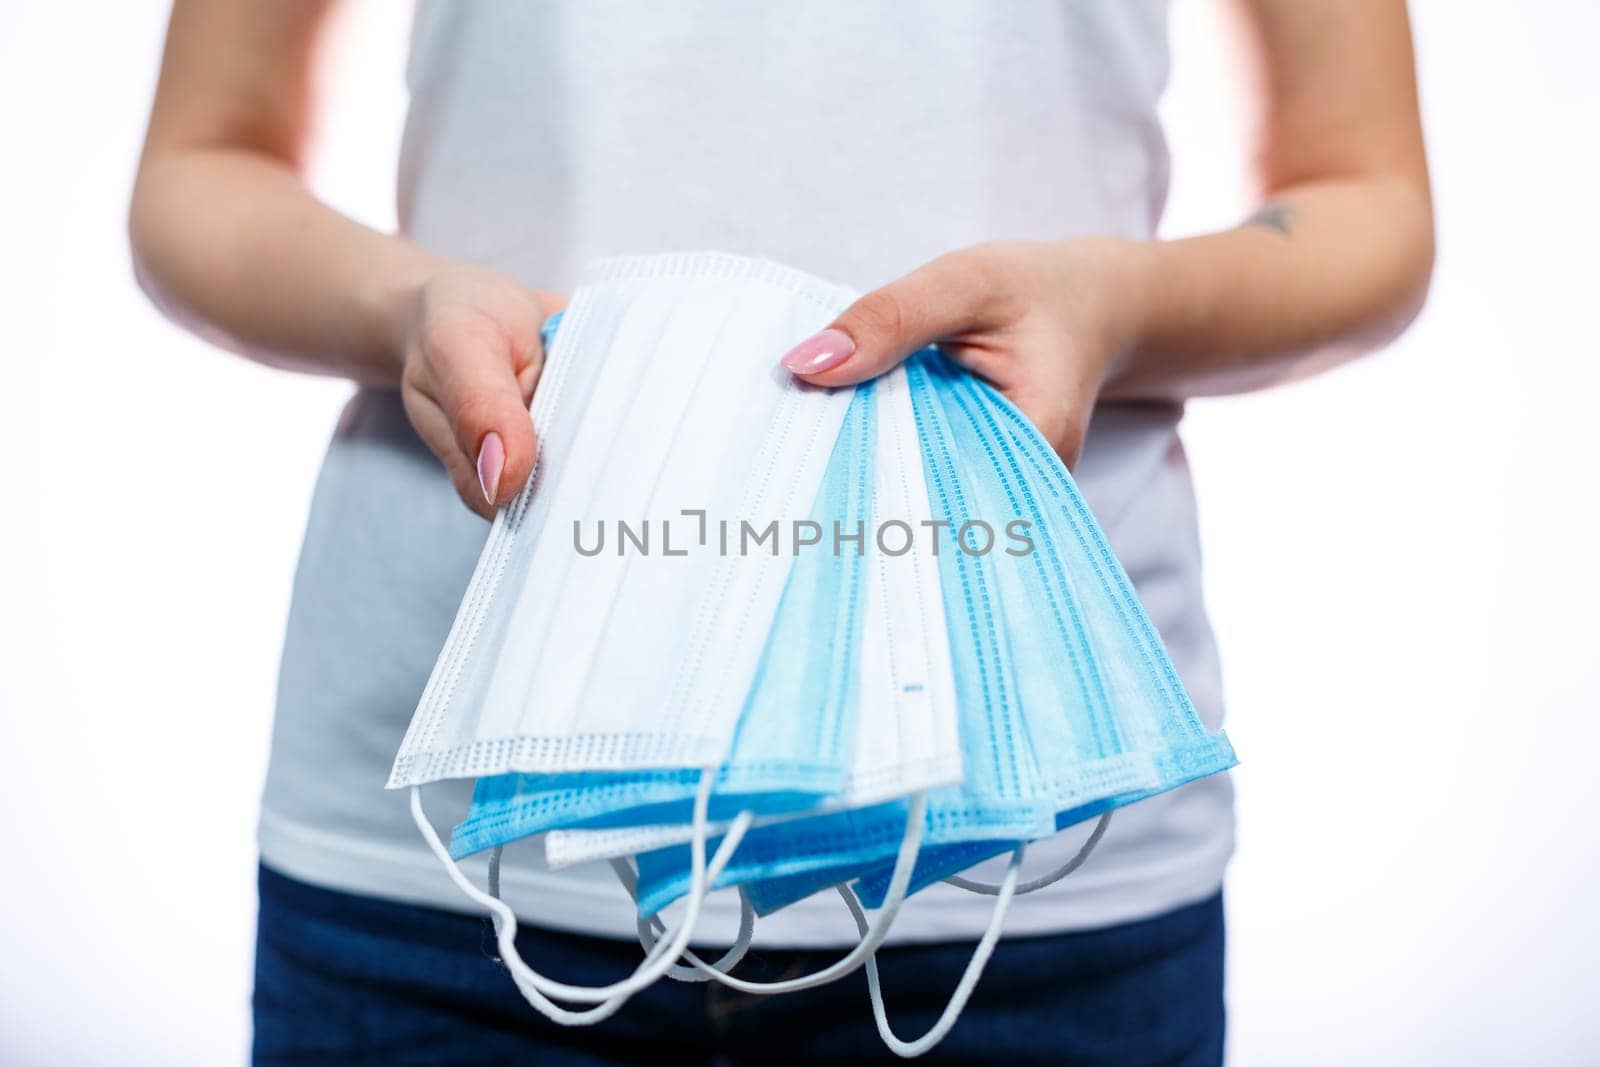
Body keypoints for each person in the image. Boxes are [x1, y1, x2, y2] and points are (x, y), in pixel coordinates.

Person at [130, 1, 1433, 1062]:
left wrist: (1118, 307)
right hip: (439, 875)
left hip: (1024, 848)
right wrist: (408, 306)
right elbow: (200, 164)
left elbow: (1367, 197)